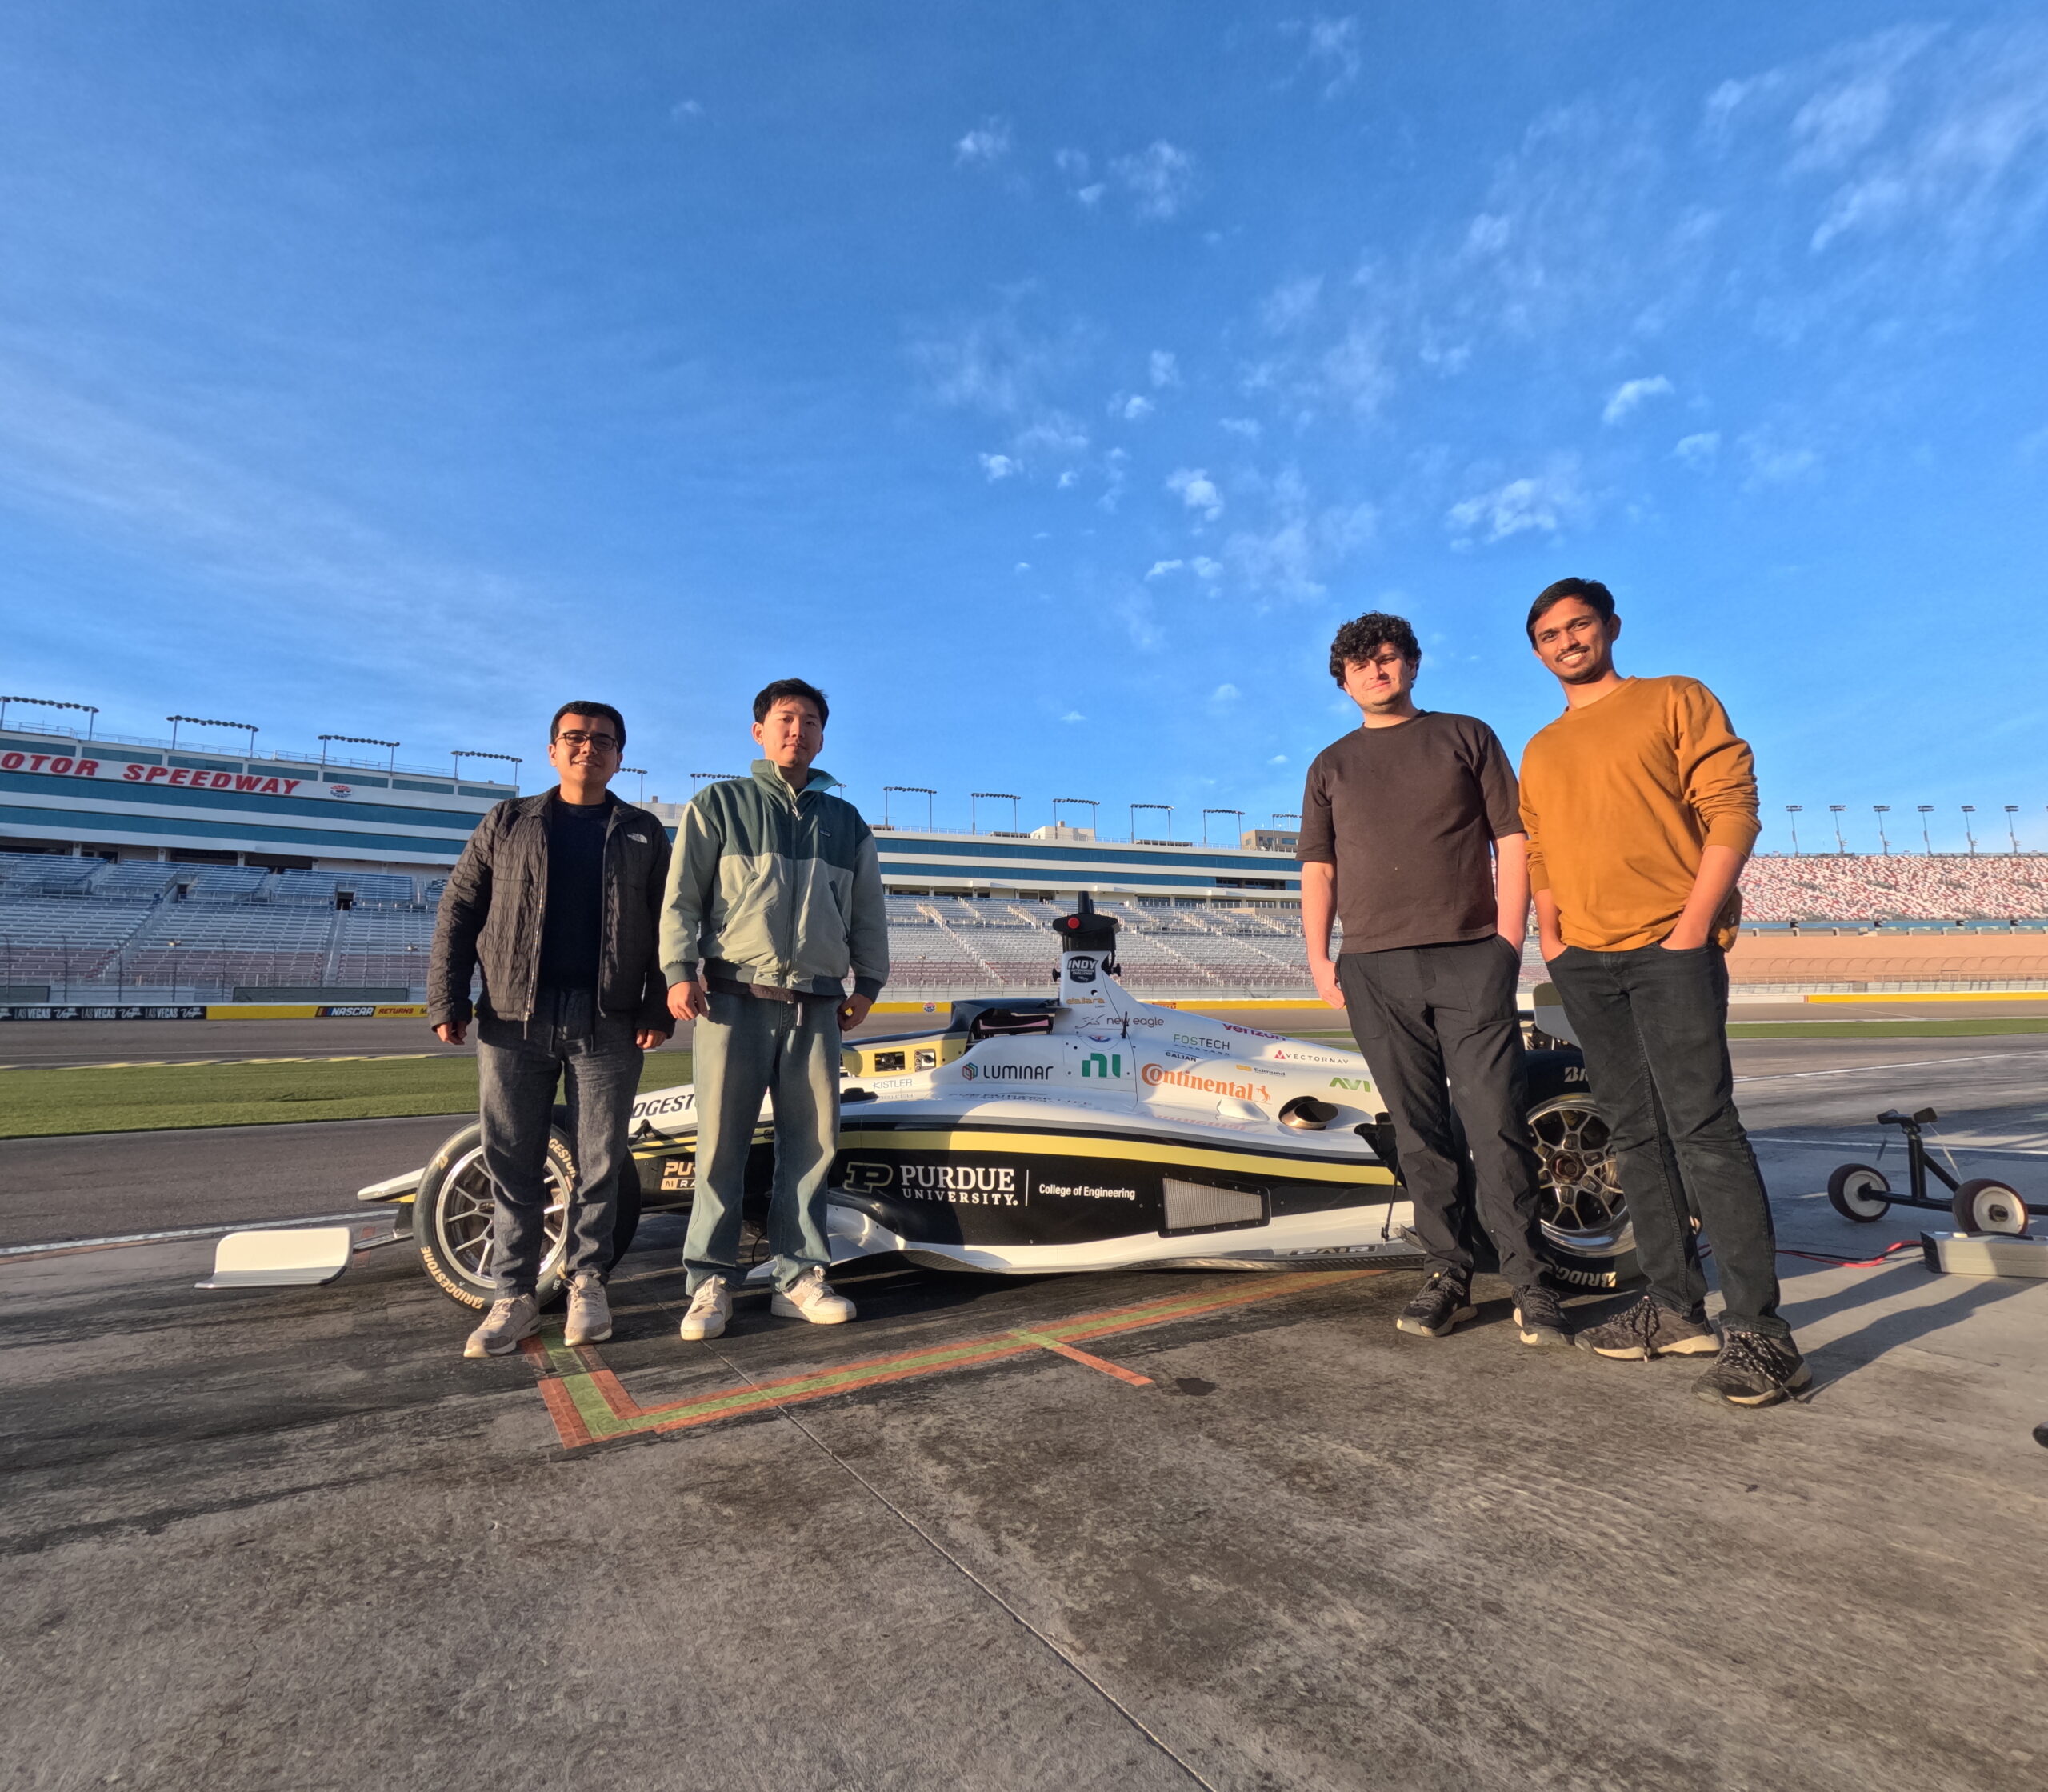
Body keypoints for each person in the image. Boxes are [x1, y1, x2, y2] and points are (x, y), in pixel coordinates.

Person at [1518, 578, 1808, 1406]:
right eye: (1549, 634)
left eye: (1579, 625)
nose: (1567, 641)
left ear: (1609, 627)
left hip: (1668, 947)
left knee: (1704, 1130)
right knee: (1634, 1135)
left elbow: (1732, 809)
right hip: (1586, 958)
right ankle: (1674, 1307)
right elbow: (1538, 846)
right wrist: (1552, 930)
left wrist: (1690, 924)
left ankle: (1762, 1332)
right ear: (1537, 651)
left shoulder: (1674, 699)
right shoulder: (1540, 747)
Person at [1301, 611, 1568, 1347]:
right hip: (1374, 967)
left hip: (1468, 957)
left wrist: (1508, 942)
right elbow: (1318, 870)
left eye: (1388, 658)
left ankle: (1530, 1280)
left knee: (1496, 1123)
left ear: (1412, 665)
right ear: (1344, 680)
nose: (1376, 671)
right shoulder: (1330, 764)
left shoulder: (1465, 735)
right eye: (1361, 664)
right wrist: (1321, 958)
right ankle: (1449, 1272)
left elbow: (1512, 838)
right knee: (1419, 1134)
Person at [429, 702, 674, 1359]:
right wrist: (447, 996)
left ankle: (588, 1279)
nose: (587, 748)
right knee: (513, 1159)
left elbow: (667, 927)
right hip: (512, 1017)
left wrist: (657, 1007)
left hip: (610, 1018)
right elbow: (458, 908)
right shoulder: (507, 822)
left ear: (620, 755)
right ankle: (512, 1295)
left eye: (602, 740)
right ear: (551, 750)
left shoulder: (644, 831)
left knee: (600, 1159)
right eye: (574, 737)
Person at [661, 678, 888, 1341]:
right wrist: (679, 971)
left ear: (823, 735)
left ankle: (798, 1276)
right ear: (758, 730)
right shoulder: (719, 805)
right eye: (787, 719)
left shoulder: (846, 823)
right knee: (720, 1147)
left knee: (813, 1145)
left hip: (816, 1006)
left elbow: (868, 912)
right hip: (732, 1001)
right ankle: (709, 1280)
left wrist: (868, 984)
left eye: (812, 721)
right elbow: (681, 901)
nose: (799, 730)